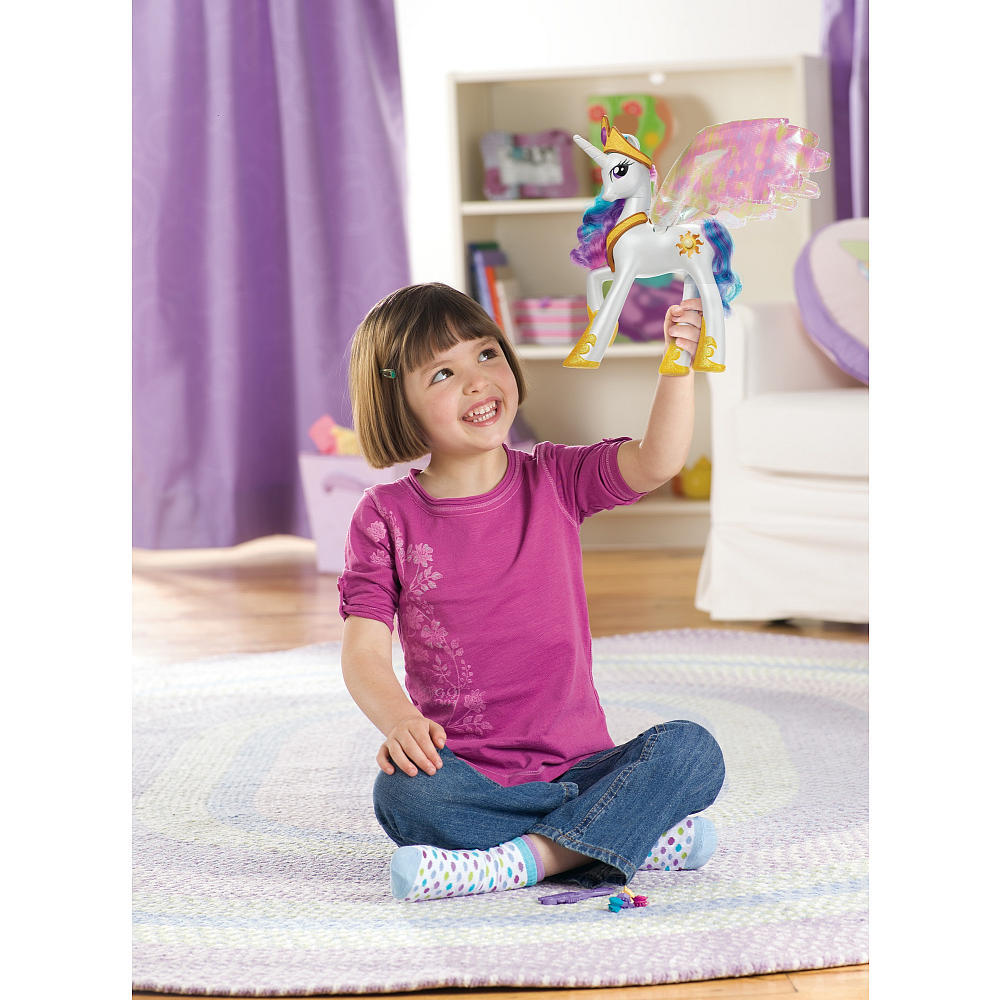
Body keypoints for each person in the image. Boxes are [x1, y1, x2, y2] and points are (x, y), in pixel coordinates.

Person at [339, 282, 725, 902]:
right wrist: (401, 722)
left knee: (692, 752)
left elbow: (656, 461)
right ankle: (620, 836)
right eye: (443, 373)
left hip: (584, 769)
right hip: (472, 777)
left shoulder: (555, 477)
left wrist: (677, 364)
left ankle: (523, 860)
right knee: (403, 797)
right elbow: (362, 653)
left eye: (486, 354)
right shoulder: (384, 516)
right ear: (396, 403)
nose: (477, 381)